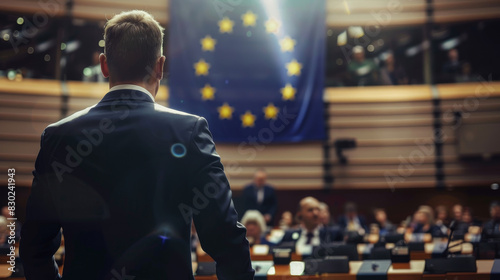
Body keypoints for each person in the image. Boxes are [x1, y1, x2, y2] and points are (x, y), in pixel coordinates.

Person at [20, 10, 254, 280]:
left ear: (104, 65)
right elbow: (227, 239)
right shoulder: (189, 131)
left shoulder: (58, 136)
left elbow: (34, 248)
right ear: (160, 66)